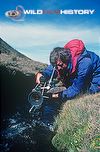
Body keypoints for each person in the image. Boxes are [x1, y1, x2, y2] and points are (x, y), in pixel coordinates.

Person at [35, 39, 100, 131]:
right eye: (56, 66)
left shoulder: (85, 63)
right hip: (78, 79)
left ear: (68, 59)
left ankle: (51, 125)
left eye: (60, 65)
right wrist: (42, 74)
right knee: (54, 95)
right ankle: (46, 123)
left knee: (63, 96)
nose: (58, 68)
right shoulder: (61, 58)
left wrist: (58, 95)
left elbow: (76, 89)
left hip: (95, 82)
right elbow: (52, 68)